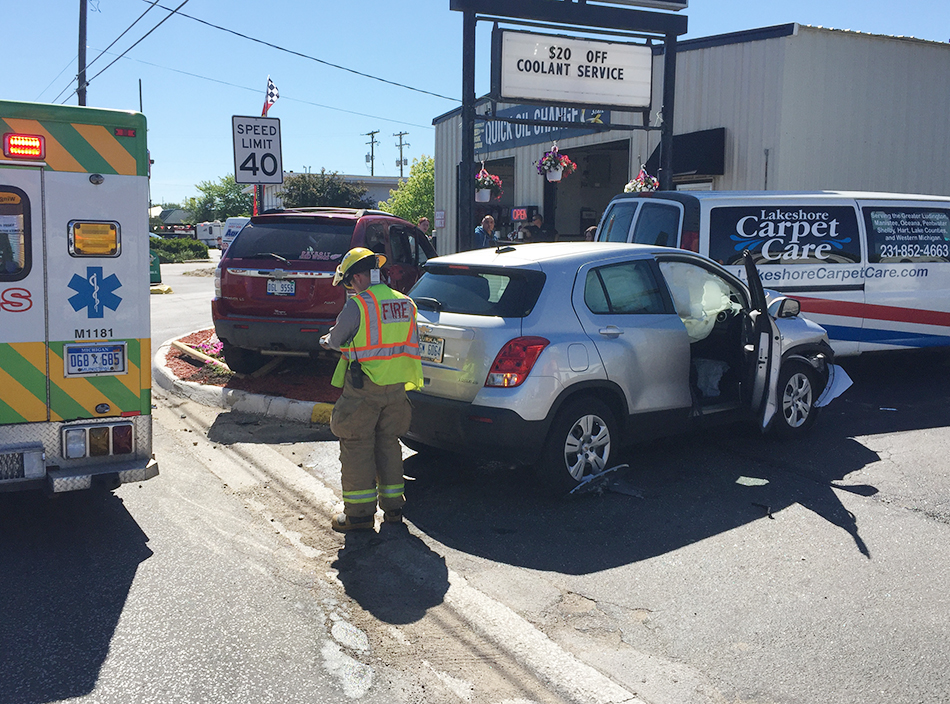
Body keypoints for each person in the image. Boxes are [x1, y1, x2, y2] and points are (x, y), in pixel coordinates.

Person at [319, 247, 424, 533]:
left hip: (363, 389)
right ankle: (393, 509)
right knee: (389, 444)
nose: (350, 288)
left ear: (359, 276)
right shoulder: (406, 303)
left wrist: (327, 340)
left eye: (350, 282)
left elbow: (338, 340)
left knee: (357, 446)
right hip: (397, 389)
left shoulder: (359, 305)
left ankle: (359, 516)